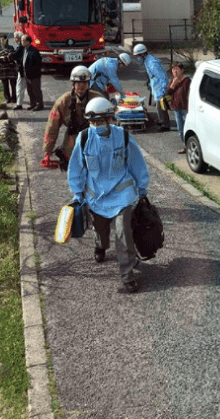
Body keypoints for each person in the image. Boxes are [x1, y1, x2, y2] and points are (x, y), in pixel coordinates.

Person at [67, 97, 150, 294]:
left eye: (99, 121)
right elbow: (76, 167)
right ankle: (100, 245)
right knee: (101, 233)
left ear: (110, 119)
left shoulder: (123, 137)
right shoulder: (84, 138)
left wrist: (142, 188)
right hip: (96, 197)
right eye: (92, 122)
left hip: (122, 194)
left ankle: (128, 276)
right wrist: (77, 193)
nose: (95, 125)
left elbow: (137, 163)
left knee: (123, 234)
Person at [40, 66, 103, 170]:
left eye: (85, 83)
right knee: (75, 175)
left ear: (88, 83)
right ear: (73, 84)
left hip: (94, 142)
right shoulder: (64, 101)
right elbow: (52, 126)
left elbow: (109, 124)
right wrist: (48, 151)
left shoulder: (97, 99)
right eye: (78, 83)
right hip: (71, 144)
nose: (82, 86)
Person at [133, 43, 170, 131]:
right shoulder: (147, 60)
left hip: (159, 87)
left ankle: (165, 125)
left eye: (138, 55)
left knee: (160, 106)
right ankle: (162, 120)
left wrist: (163, 89)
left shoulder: (152, 62)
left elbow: (161, 76)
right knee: (159, 106)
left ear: (142, 54)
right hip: (155, 86)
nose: (138, 57)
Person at [166, 62, 191, 153]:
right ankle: (186, 146)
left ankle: (190, 147)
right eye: (173, 69)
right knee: (180, 130)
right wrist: (173, 84)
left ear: (182, 70)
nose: (175, 71)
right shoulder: (172, 81)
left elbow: (189, 94)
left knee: (187, 128)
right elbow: (168, 93)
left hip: (185, 108)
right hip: (176, 108)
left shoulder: (187, 81)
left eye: (177, 69)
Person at [21, 34, 44, 111]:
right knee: (29, 90)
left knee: (36, 90)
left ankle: (39, 104)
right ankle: (32, 103)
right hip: (26, 74)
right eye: (21, 40)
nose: (22, 42)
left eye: (23, 40)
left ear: (28, 42)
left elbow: (38, 64)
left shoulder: (34, 51)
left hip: (34, 75)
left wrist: (33, 71)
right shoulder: (24, 50)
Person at [0, 35, 18, 104]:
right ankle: (7, 98)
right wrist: (1, 58)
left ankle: (14, 98)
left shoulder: (10, 47)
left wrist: (9, 56)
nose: (2, 41)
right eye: (0, 40)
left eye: (3, 40)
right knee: (5, 85)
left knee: (13, 84)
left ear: (6, 40)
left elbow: (14, 56)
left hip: (11, 68)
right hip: (3, 69)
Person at [12, 32, 26, 110]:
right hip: (24, 70)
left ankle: (19, 104)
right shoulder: (23, 47)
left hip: (22, 70)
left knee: (19, 87)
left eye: (15, 37)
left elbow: (15, 56)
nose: (14, 39)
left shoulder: (20, 47)